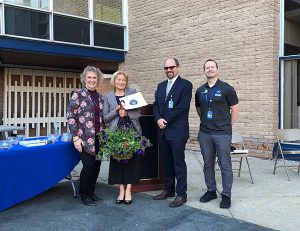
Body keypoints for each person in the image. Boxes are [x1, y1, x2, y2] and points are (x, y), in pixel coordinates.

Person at [195, 59, 239, 209]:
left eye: (212, 67)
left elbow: (235, 109)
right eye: (207, 67)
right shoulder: (200, 90)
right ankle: (211, 190)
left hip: (222, 134)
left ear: (217, 69)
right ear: (204, 71)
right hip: (205, 133)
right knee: (208, 164)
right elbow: (199, 109)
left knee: (225, 165)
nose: (210, 69)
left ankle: (226, 195)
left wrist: (227, 126)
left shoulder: (227, 88)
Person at [152, 57, 193, 208]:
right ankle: (168, 189)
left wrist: (165, 120)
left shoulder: (186, 85)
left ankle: (181, 194)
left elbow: (182, 107)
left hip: (177, 131)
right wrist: (158, 119)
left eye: (171, 67)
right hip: (162, 131)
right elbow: (156, 105)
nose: (169, 70)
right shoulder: (161, 85)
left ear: (178, 67)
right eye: (166, 68)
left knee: (178, 163)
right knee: (166, 163)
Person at [67, 66, 105, 206]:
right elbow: (71, 116)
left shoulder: (101, 97)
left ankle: (92, 191)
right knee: (88, 166)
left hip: (99, 137)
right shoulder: (78, 94)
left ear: (98, 79)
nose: (92, 80)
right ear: (84, 78)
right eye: (89, 77)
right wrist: (75, 137)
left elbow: (103, 118)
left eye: (94, 77)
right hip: (84, 138)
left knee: (97, 165)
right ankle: (84, 194)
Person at [103, 71, 141, 205]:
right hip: (115, 135)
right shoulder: (107, 97)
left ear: (126, 81)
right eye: (118, 80)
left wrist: (127, 113)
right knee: (118, 163)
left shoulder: (132, 92)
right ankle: (121, 190)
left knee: (131, 162)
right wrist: (117, 110)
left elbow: (138, 114)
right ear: (114, 81)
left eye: (123, 80)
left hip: (131, 132)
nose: (121, 82)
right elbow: (105, 118)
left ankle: (129, 189)